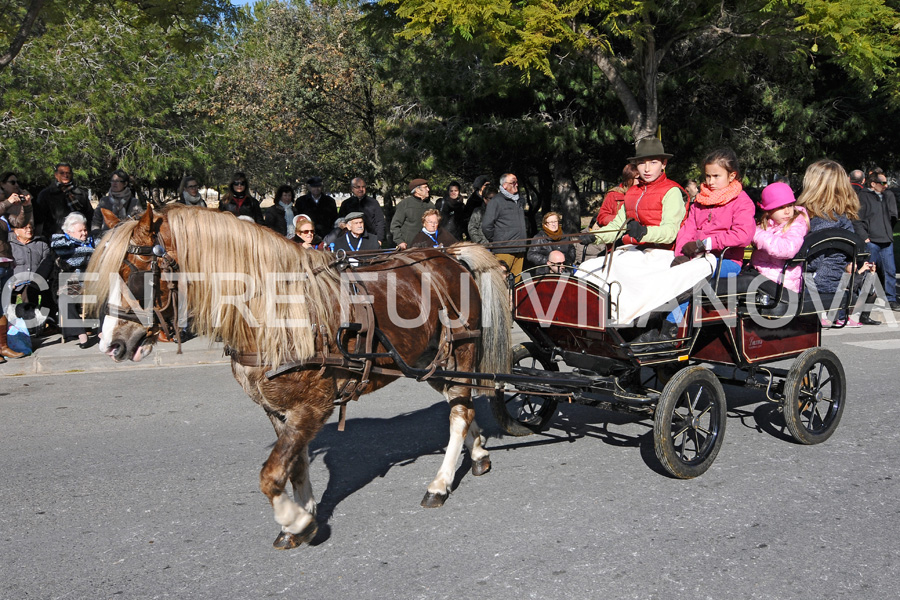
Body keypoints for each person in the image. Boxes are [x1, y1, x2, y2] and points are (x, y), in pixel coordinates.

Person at [635, 147, 755, 346]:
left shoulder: (742, 201)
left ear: (732, 175)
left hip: (727, 261)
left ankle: (670, 330)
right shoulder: (700, 201)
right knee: (659, 266)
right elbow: (686, 230)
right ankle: (647, 322)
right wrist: (681, 253)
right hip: (697, 258)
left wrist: (705, 244)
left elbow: (743, 235)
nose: (710, 182)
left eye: (717, 176)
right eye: (707, 176)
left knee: (689, 275)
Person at [797, 159, 879, 325]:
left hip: (812, 284)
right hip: (832, 284)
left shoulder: (819, 221)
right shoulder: (841, 219)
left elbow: (812, 262)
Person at [749, 182, 810, 295]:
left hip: (783, 284)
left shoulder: (796, 224)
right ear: (769, 210)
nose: (787, 211)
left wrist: (755, 233)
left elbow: (787, 249)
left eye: (790, 205)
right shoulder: (767, 225)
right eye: (781, 207)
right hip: (766, 277)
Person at [856, 170, 899, 311]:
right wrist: (865, 237)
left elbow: (893, 216)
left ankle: (891, 298)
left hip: (886, 240)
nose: (886, 185)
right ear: (873, 184)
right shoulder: (863, 197)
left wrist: (888, 231)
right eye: (883, 183)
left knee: (890, 270)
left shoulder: (888, 195)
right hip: (872, 241)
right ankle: (865, 298)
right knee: (868, 271)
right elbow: (857, 219)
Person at [51, 212, 95, 346]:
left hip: (93, 282)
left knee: (105, 296)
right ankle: (81, 334)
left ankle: (101, 331)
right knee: (65, 298)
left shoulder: (94, 242)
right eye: (80, 231)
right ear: (69, 233)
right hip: (74, 283)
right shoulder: (62, 246)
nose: (84, 233)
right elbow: (72, 261)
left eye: (85, 229)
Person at [10, 220, 58, 334]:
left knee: (34, 290)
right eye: (25, 228)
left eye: (31, 227)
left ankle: (40, 324)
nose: (29, 229)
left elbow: (46, 264)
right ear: (16, 231)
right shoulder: (9, 245)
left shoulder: (41, 244)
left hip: (36, 281)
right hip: (15, 282)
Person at [0, 183, 30, 361]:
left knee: (2, 308)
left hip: (4, 264)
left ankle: (2, 347)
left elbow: (20, 223)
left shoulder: (3, 215)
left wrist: (26, 206)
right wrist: (7, 202)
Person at [482, 173, 528, 276]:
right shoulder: (496, 201)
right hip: (504, 249)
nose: (516, 185)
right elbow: (486, 226)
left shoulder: (519, 200)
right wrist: (499, 240)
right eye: (513, 182)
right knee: (502, 280)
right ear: (504, 185)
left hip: (520, 248)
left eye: (517, 182)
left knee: (516, 282)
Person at [34, 163, 93, 237]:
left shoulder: (81, 194)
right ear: (56, 175)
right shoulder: (46, 195)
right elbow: (39, 219)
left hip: (80, 237)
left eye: (68, 173)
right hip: (55, 237)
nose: (65, 175)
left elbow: (90, 216)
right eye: (62, 173)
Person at [91, 169, 145, 240]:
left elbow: (140, 221)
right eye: (112, 181)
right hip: (106, 239)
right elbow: (96, 221)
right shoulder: (104, 201)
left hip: (126, 238)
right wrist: (97, 235)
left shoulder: (134, 202)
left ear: (125, 184)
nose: (114, 183)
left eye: (117, 181)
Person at [338, 177, 386, 245]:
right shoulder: (346, 204)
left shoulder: (373, 203)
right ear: (352, 188)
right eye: (358, 187)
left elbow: (380, 222)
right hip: (351, 241)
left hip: (370, 239)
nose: (361, 189)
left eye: (363, 187)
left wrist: (379, 239)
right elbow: (341, 221)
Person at [391, 178, 435, 250]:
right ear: (417, 190)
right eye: (425, 187)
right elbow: (395, 225)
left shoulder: (431, 206)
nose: (428, 189)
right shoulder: (405, 204)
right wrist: (400, 241)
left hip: (428, 247)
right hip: (408, 247)